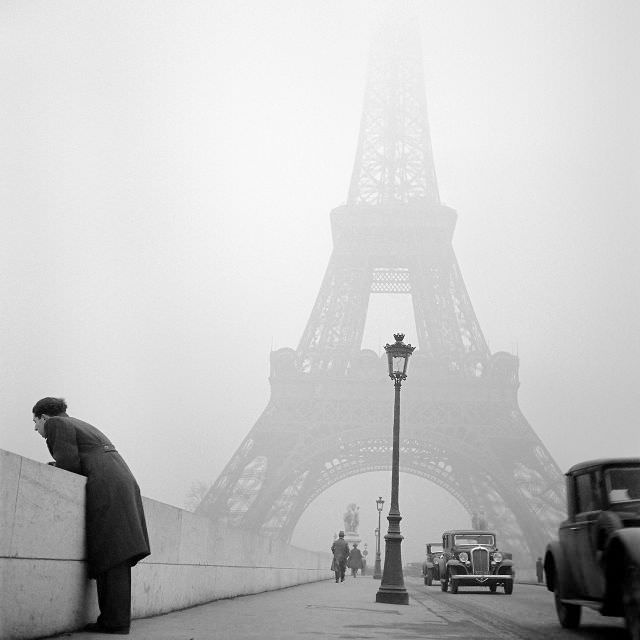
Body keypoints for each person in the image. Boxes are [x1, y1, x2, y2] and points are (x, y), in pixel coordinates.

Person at [32, 397, 150, 635]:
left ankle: (114, 622)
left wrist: (54, 466)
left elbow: (69, 466)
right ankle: (114, 620)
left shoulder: (56, 424)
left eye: (35, 422)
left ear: (44, 417)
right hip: (120, 481)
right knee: (117, 554)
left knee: (112, 554)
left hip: (106, 485)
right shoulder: (81, 424)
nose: (36, 429)